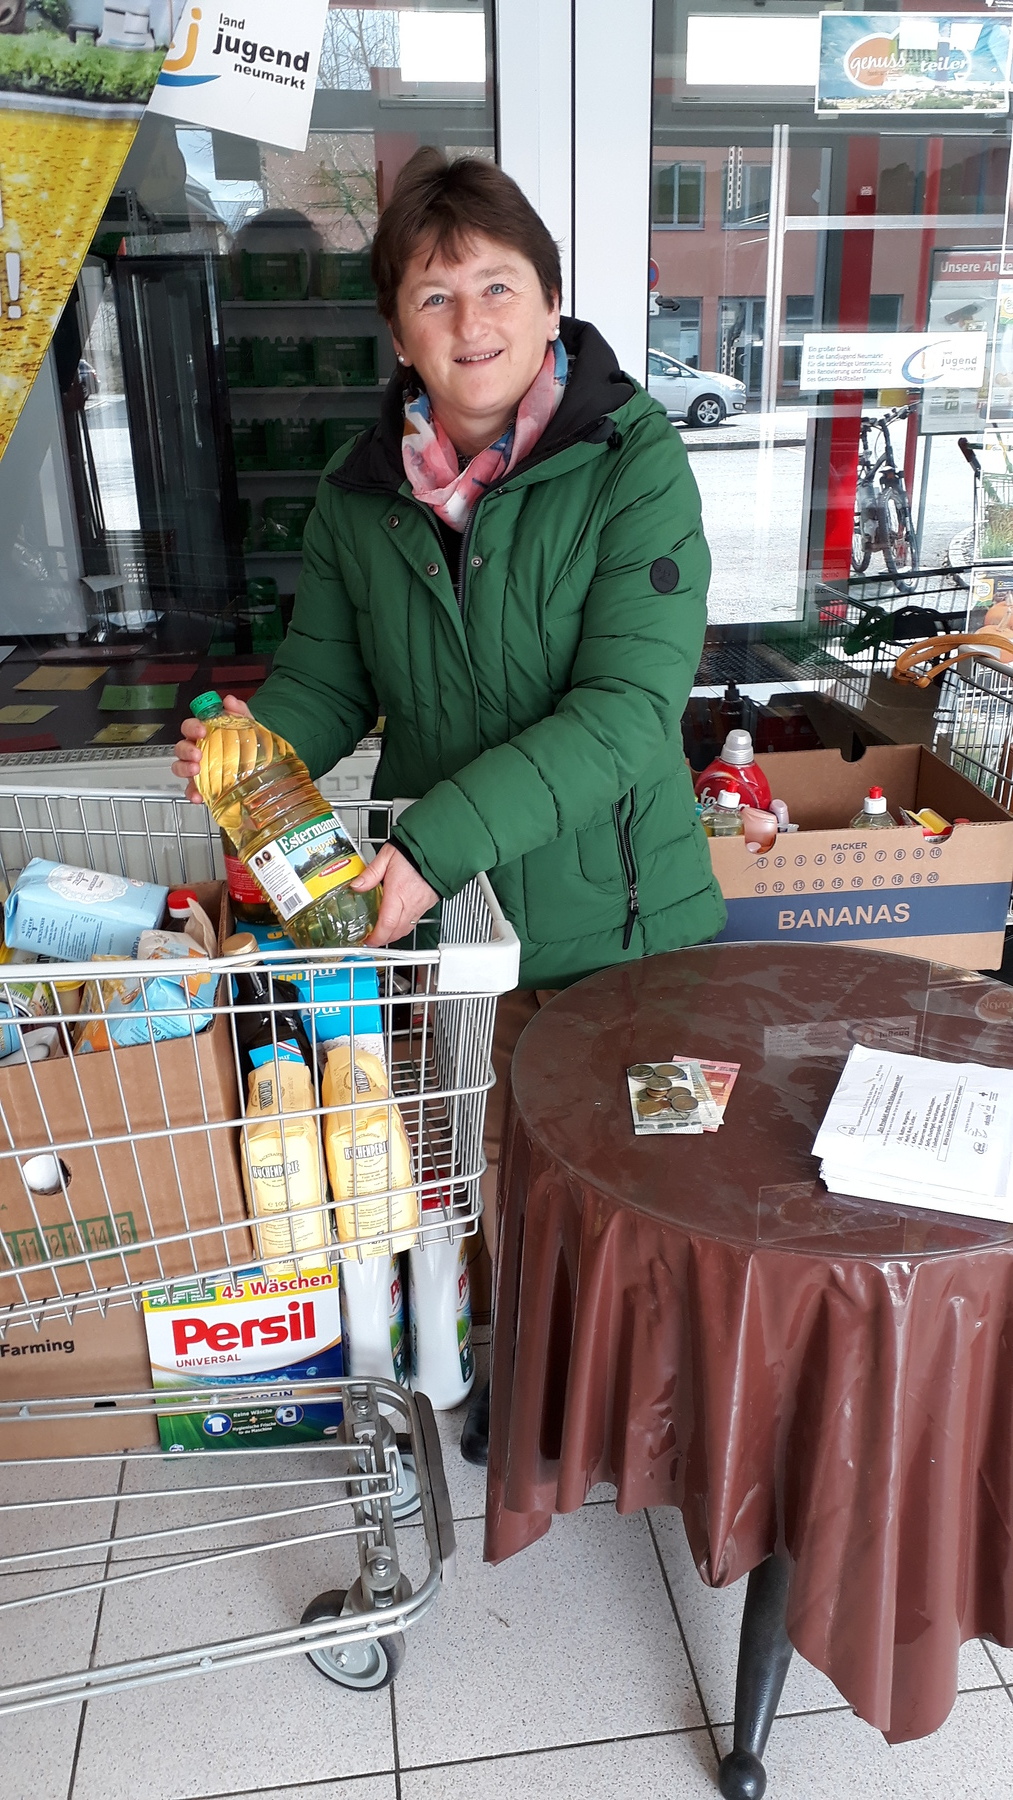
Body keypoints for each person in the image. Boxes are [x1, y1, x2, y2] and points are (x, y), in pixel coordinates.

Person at [174, 148, 725, 1463]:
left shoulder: (632, 462)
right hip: (466, 931)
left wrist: (423, 850)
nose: (471, 322)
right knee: (491, 1178)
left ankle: (665, 1425)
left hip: (626, 922)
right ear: (398, 331)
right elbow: (328, 680)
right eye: (434, 296)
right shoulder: (359, 494)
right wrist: (256, 751)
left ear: (549, 301)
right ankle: (531, 1386)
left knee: (647, 1188)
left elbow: (626, 713)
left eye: (497, 285)